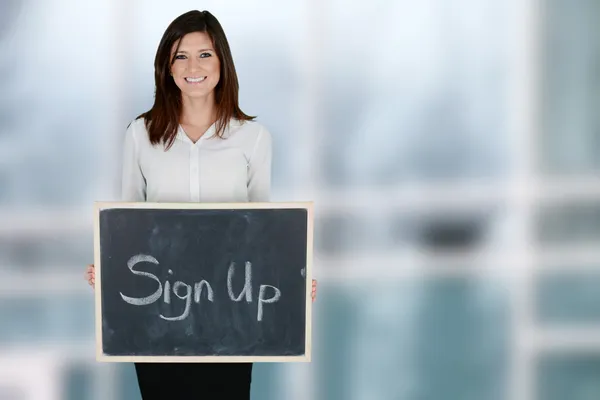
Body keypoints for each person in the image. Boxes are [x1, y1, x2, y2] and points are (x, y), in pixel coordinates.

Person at [83, 10, 317, 399]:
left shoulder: (254, 138)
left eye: (205, 54)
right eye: (181, 56)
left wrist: (289, 278)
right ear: (167, 67)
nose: (194, 66)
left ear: (222, 62)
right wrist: (108, 269)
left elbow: (262, 230)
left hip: (231, 316)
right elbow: (127, 221)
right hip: (159, 314)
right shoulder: (140, 135)